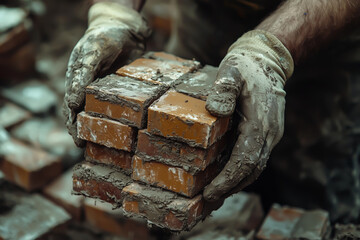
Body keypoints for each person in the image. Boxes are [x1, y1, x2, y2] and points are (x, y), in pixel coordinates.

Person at [63, 0, 360, 222]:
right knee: (180, 155)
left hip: (319, 31)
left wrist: (269, 52)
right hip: (205, 16)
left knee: (310, 199)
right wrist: (114, 12)